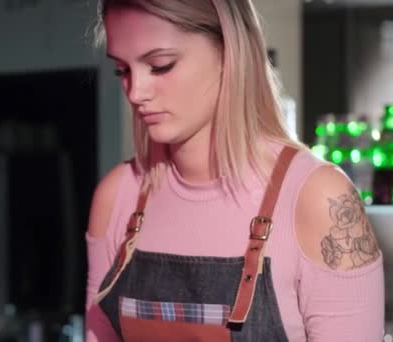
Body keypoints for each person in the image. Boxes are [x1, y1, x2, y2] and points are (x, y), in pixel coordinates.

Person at [84, 0, 385, 341]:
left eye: (160, 65)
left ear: (229, 53)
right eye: (122, 70)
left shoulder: (319, 200)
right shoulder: (118, 196)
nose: (136, 92)